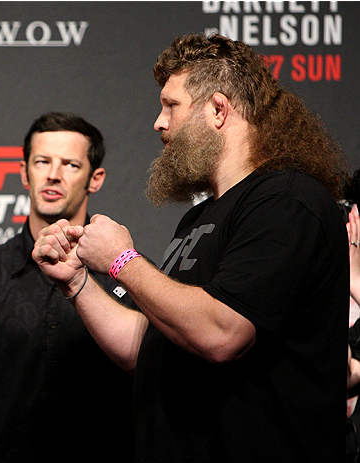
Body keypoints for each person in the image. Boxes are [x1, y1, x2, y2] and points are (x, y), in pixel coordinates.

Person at [32, 33, 348, 462]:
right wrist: (78, 284)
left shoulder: (287, 201)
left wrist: (122, 261)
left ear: (218, 109)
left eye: (171, 105)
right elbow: (150, 348)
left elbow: (221, 333)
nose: (159, 123)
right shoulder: (200, 218)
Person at [0, 112, 136, 463]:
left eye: (70, 164)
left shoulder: (126, 269)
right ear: (25, 173)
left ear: (95, 179)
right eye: (42, 161)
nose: (53, 174)